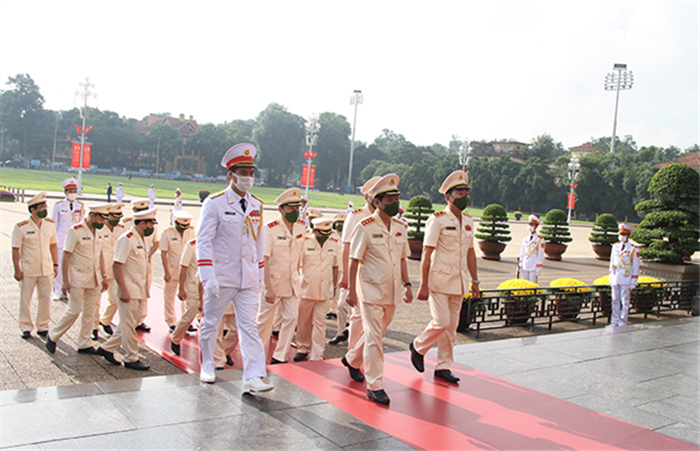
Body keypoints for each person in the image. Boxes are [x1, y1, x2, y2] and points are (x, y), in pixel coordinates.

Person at [196, 143, 273, 394]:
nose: (248, 177)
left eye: (251, 172)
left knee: (249, 327)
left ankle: (253, 376)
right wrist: (207, 277)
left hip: (248, 278)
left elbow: (258, 243)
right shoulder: (215, 203)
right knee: (211, 323)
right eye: (243, 172)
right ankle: (208, 365)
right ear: (231, 174)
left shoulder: (256, 204)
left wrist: (259, 277)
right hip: (222, 276)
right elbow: (204, 241)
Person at [345, 174, 413, 405]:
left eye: (397, 199)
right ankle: (375, 385)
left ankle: (352, 359)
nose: (395, 203)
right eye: (390, 200)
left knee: (377, 334)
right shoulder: (364, 227)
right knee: (375, 338)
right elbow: (354, 260)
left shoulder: (400, 227)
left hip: (392, 291)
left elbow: (402, 259)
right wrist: (352, 291)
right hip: (370, 290)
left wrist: (407, 285)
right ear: (377, 202)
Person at [410, 170, 479, 384]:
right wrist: (423, 283)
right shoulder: (437, 220)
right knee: (441, 322)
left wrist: (475, 281)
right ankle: (418, 347)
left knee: (451, 328)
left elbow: (470, 253)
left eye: (466, 193)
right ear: (448, 197)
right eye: (459, 193)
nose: (464, 196)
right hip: (439, 281)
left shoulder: (468, 221)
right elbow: (427, 253)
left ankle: (443, 366)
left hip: (459, 282)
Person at [96, 208, 158, 371]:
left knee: (130, 323)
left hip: (138, 288)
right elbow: (117, 265)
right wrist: (123, 289)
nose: (152, 228)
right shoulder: (127, 239)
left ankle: (107, 348)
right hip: (129, 289)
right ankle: (131, 358)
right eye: (150, 224)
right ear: (142, 223)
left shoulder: (140, 238)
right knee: (129, 325)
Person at [46, 204, 110, 355]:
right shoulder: (75, 231)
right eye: (101, 219)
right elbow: (66, 256)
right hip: (78, 277)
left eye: (105, 220)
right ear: (92, 216)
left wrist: (104, 276)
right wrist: (65, 281)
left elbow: (100, 255)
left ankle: (84, 343)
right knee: (74, 311)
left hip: (94, 277)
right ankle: (53, 335)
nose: (103, 222)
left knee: (90, 311)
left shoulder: (100, 231)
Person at [257, 188, 305, 364]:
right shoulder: (270, 229)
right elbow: (264, 260)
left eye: (297, 208)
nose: (295, 211)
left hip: (292, 283)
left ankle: (280, 356)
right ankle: (257, 356)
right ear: (281, 209)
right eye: (291, 208)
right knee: (264, 322)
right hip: (273, 283)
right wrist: (268, 287)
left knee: (291, 318)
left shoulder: (301, 226)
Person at [331, 176, 380, 348]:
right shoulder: (356, 216)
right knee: (342, 305)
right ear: (367, 198)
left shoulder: (384, 218)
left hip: (373, 272)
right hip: (354, 269)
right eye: (374, 196)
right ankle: (341, 332)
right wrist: (345, 275)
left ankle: (354, 339)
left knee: (364, 311)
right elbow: (346, 246)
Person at [12, 192, 58, 339]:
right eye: (41, 207)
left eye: (45, 206)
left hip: (46, 268)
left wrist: (55, 264)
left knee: (45, 298)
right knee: (25, 299)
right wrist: (17, 269)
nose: (44, 210)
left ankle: (43, 326)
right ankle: (26, 326)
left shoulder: (49, 224)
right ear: (33, 210)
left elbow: (53, 245)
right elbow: (16, 249)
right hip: (28, 269)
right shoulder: (21, 227)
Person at [295, 217, 339, 362]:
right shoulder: (305, 242)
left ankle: (317, 353)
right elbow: (297, 265)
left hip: (324, 290)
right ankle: (302, 348)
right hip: (307, 289)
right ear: (314, 231)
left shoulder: (333, 243)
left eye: (327, 233)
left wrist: (334, 286)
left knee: (320, 323)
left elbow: (335, 266)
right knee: (304, 321)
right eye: (322, 233)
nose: (325, 237)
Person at [123, 198, 159, 332]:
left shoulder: (152, 225)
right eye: (140, 211)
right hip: (131, 262)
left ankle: (140, 320)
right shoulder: (127, 224)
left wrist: (148, 254)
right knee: (129, 292)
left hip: (146, 261)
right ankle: (120, 319)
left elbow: (156, 242)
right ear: (134, 210)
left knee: (144, 290)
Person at [96, 203, 127, 338]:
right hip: (100, 269)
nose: (118, 220)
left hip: (115, 269)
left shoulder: (122, 229)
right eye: (115, 217)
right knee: (95, 302)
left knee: (115, 299)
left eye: (119, 217)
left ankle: (105, 320)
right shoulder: (99, 228)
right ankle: (93, 328)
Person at [161, 210, 195, 331]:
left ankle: (186, 321)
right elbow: (164, 253)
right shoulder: (167, 234)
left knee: (187, 296)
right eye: (181, 226)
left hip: (187, 270)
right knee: (169, 297)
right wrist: (166, 271)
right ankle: (171, 321)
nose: (184, 229)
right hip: (173, 269)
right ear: (175, 223)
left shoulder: (191, 231)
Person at [52, 177, 85, 301]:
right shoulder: (59, 205)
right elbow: (54, 224)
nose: (73, 193)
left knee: (74, 266)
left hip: (75, 240)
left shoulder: (80, 206)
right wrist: (53, 241)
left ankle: (71, 291)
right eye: (70, 191)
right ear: (65, 192)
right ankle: (58, 290)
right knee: (60, 266)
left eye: (74, 191)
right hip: (61, 240)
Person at [171, 237, 205, 355]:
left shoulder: (218, 243)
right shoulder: (192, 245)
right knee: (189, 315)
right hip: (194, 287)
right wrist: (181, 288)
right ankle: (176, 338)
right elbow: (184, 267)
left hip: (209, 288)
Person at [609, 223, 640, 327]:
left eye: (624, 234)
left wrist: (633, 281)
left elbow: (635, 267)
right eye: (620, 234)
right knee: (615, 300)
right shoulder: (615, 247)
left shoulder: (633, 249)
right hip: (616, 276)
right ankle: (615, 319)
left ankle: (623, 320)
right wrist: (611, 277)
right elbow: (612, 263)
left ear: (628, 236)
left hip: (626, 277)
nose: (621, 236)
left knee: (625, 301)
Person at [326, 213, 346, 320]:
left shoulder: (348, 235)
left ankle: (334, 310)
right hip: (332, 265)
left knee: (339, 290)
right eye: (338, 223)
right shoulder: (331, 235)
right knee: (330, 287)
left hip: (343, 266)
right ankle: (328, 309)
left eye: (342, 223)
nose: (340, 225)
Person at [519, 215, 545, 283]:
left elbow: (540, 255)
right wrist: (520, 263)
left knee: (532, 283)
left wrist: (538, 268)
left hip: (533, 265)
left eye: (532, 225)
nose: (530, 226)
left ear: (536, 226)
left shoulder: (540, 240)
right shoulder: (525, 238)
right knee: (524, 283)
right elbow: (523, 251)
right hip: (525, 264)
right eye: (529, 224)